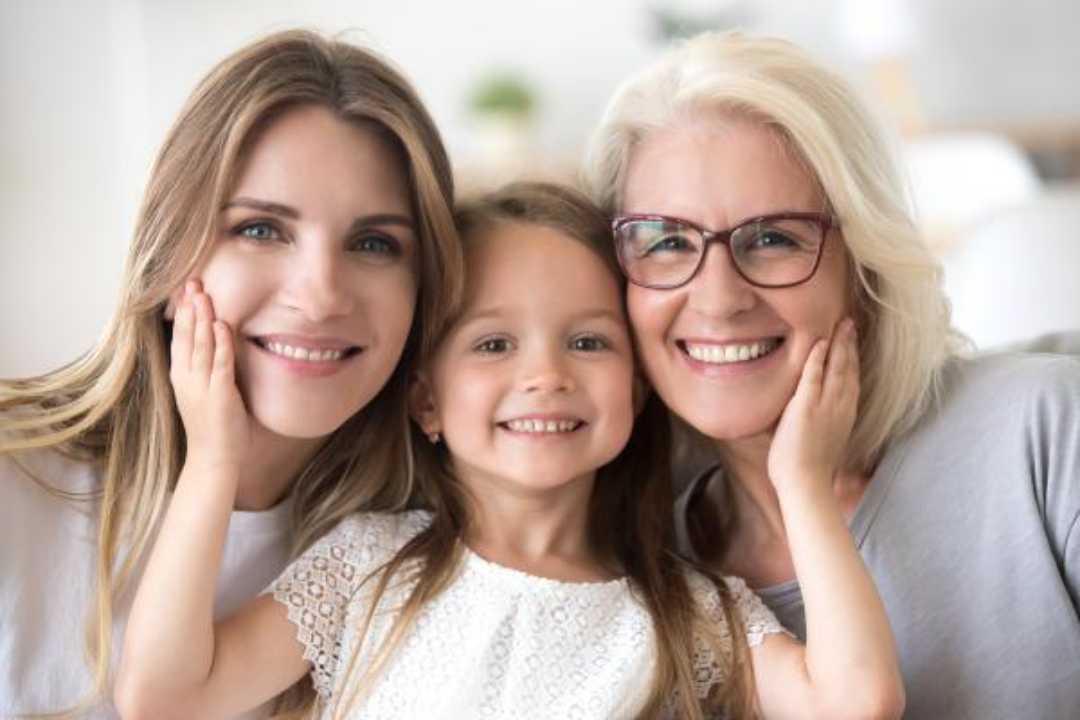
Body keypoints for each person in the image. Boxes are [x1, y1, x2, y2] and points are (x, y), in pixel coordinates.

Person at [115, 182, 902, 719]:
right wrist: (212, 458)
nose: (546, 376)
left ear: (635, 388)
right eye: (493, 343)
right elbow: (165, 693)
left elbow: (856, 702)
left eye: (589, 342)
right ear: (425, 397)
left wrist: (797, 479)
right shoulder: (365, 568)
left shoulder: (691, 614)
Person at [583, 31, 1080, 719]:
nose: (720, 298)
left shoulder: (1046, 433)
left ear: (863, 266)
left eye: (774, 238)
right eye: (667, 241)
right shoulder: (643, 574)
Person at [0, 30, 463, 717]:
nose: (320, 295)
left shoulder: (417, 553)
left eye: (374, 243)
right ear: (170, 250)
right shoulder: (17, 478)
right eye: (261, 229)